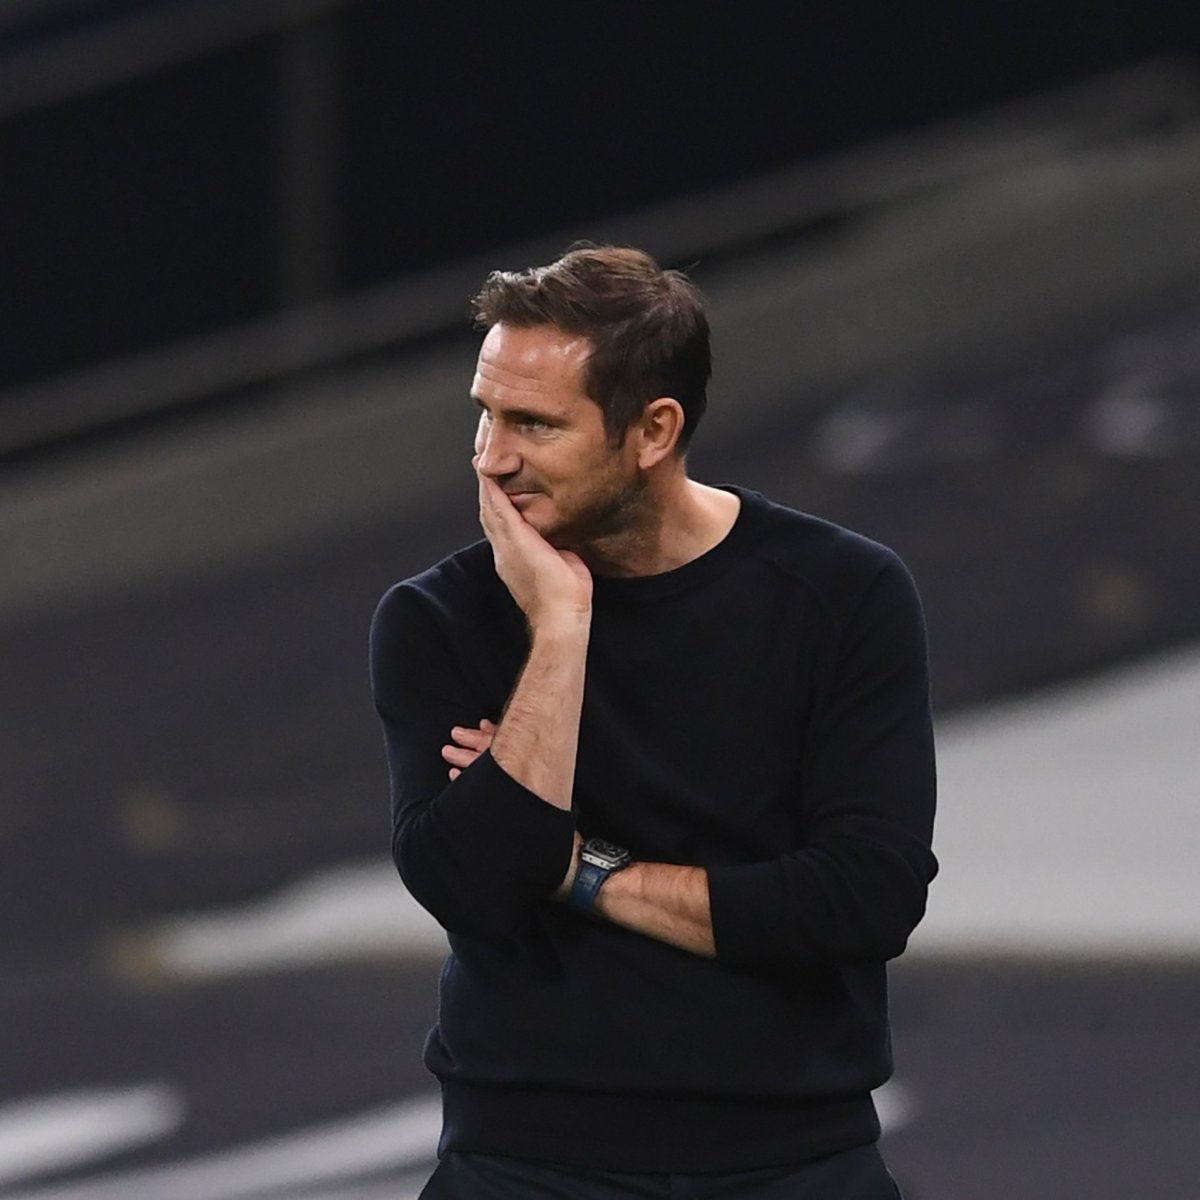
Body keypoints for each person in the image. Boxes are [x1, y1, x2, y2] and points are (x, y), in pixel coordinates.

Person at [369, 244, 937, 1198]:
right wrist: (560, 627)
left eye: (534, 424)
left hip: (794, 1161)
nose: (492, 457)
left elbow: (865, 899)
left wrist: (578, 868)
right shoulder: (438, 618)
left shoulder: (842, 594)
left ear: (653, 430)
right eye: (486, 413)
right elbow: (476, 888)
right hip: (522, 1163)